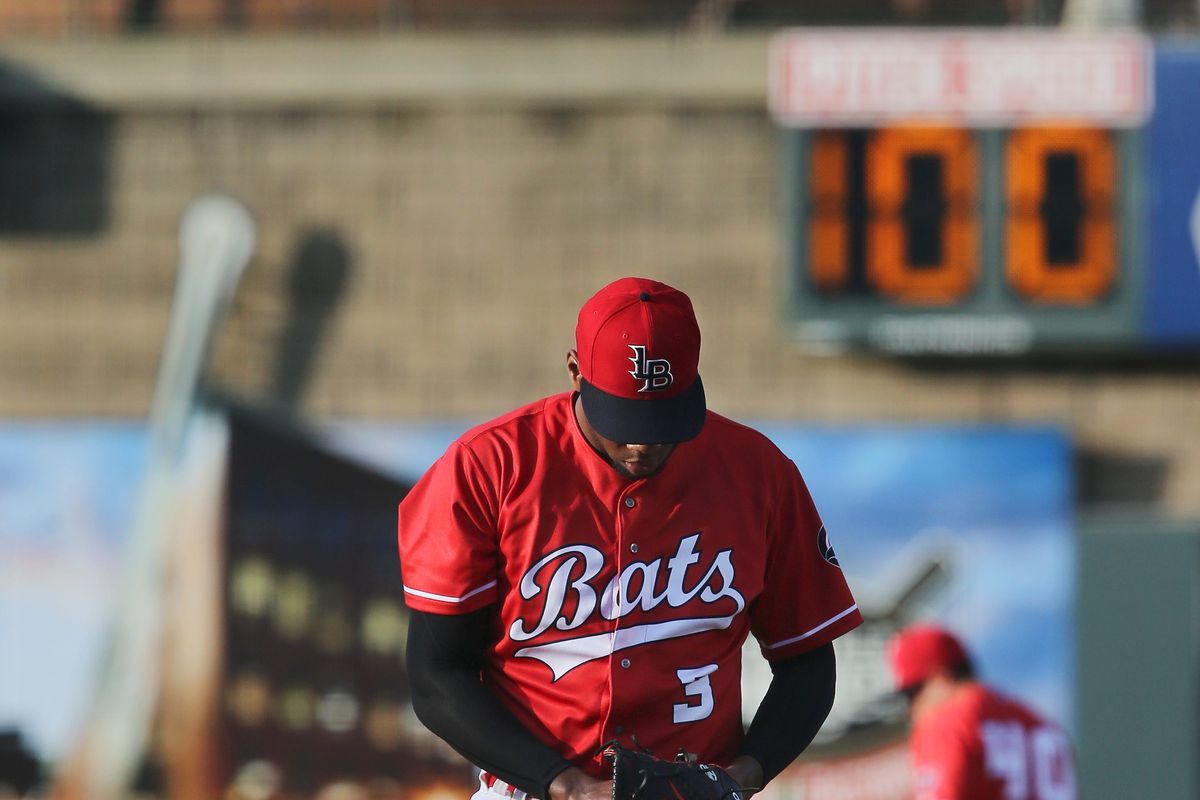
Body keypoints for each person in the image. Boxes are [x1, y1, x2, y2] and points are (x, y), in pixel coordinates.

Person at [397, 277, 862, 800]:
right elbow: (437, 676)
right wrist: (565, 785)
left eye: (662, 420)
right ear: (576, 372)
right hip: (530, 790)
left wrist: (739, 779)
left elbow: (807, 662)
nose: (642, 442)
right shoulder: (487, 468)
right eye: (625, 419)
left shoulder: (759, 474)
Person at [886, 624, 1078, 800]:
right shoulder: (1040, 723)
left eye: (910, 694)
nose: (910, 709)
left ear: (941, 678)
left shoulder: (946, 723)